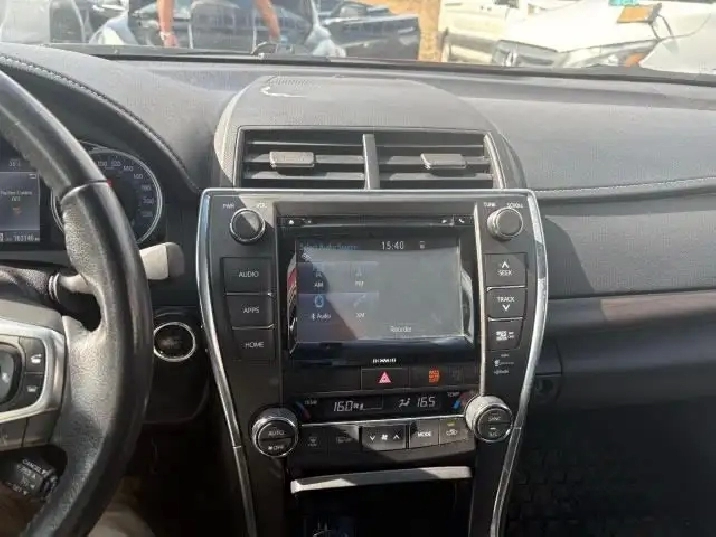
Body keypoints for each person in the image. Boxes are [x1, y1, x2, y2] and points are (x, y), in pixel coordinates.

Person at [155, 0, 280, 48]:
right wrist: (275, 38)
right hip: (239, 37)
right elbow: (265, 7)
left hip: (204, 30)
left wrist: (167, 33)